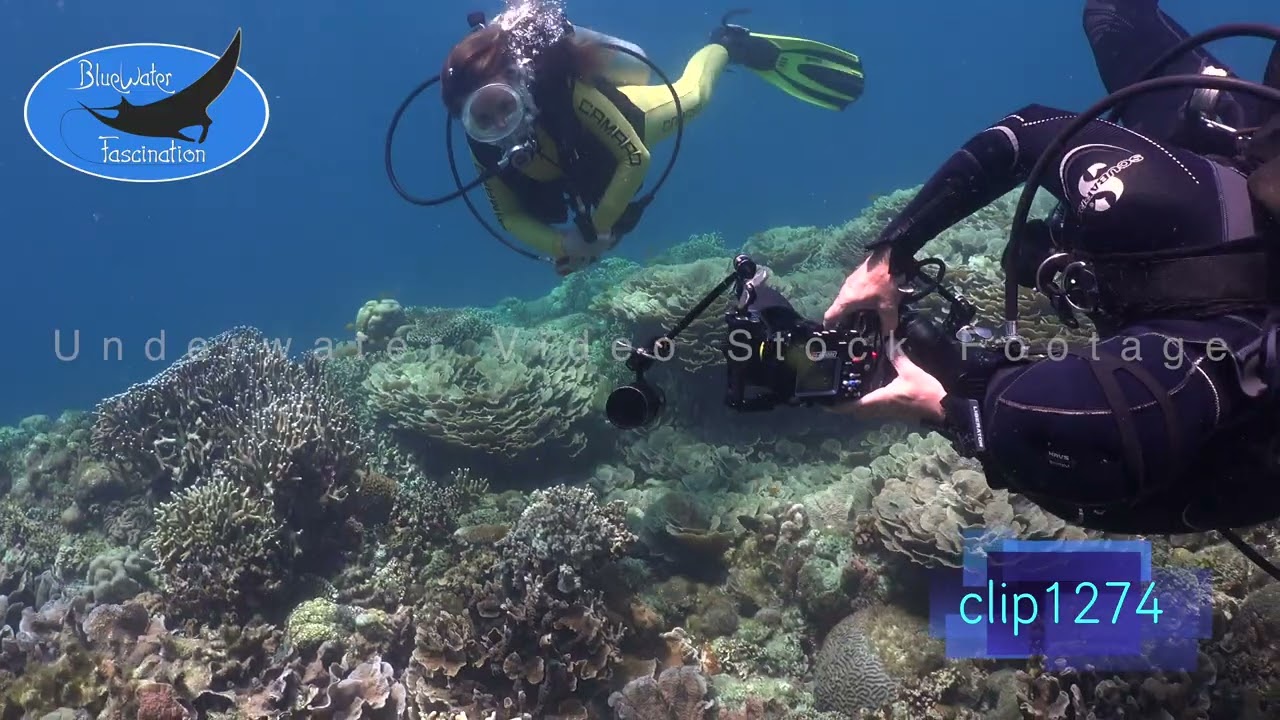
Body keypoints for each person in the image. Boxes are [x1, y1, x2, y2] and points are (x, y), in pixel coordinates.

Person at [822, 0, 1280, 536]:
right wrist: (889, 258)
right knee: (1110, 13)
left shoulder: (1164, 210)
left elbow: (1084, 439)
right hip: (1228, 167)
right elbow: (1028, 133)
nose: (1066, 286)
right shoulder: (1187, 235)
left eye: (1070, 275)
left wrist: (944, 405)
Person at [439, 8, 865, 275]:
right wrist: (564, 245)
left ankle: (728, 46)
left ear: (520, 87)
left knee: (695, 96)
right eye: (483, 120)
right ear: (465, 120)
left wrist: (598, 230)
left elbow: (634, 157)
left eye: (504, 106)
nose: (501, 126)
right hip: (580, 167)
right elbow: (510, 215)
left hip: (629, 120)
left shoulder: (563, 94)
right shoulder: (483, 147)